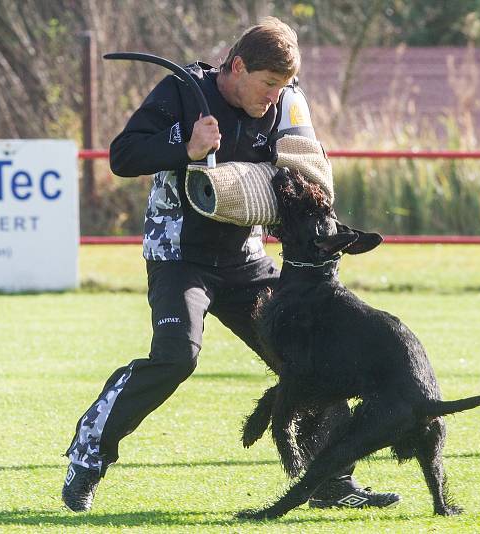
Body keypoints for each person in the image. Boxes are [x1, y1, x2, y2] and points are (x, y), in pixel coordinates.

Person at [61, 17, 402, 512]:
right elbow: (122, 155)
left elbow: (302, 177)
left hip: (245, 258)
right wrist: (186, 149)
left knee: (312, 357)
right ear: (237, 67)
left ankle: (331, 481)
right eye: (267, 85)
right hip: (179, 255)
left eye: (281, 88)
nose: (273, 98)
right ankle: (89, 454)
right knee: (177, 356)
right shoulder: (183, 92)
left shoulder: (286, 103)